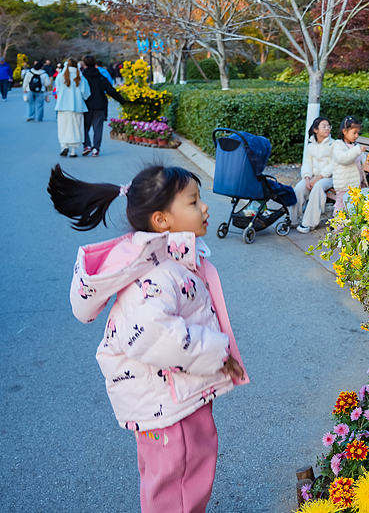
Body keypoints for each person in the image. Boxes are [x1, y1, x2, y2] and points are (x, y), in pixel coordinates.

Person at [47, 163, 248, 513]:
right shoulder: (159, 273)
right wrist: (218, 353)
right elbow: (153, 335)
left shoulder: (168, 260)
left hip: (175, 395)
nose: (204, 208)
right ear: (161, 220)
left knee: (174, 478)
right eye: (193, 201)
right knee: (180, 481)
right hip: (169, 402)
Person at [290, 116, 334, 233]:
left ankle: (309, 223)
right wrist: (307, 178)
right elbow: (307, 164)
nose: (327, 129)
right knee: (299, 188)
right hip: (313, 177)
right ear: (315, 130)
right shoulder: (311, 146)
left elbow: (333, 166)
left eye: (328, 126)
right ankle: (292, 219)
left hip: (329, 178)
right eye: (324, 126)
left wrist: (318, 178)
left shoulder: (333, 144)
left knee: (317, 188)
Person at [81, 55, 126, 156]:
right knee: (98, 127)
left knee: (84, 126)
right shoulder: (101, 77)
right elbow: (111, 91)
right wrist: (122, 101)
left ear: (84, 63)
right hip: (100, 104)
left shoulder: (82, 76)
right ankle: (96, 148)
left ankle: (87, 145)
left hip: (85, 105)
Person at [331, 116, 368, 212]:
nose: (356, 136)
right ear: (344, 131)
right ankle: (338, 227)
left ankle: (350, 227)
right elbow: (343, 158)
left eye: (358, 133)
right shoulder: (338, 145)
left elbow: (362, 162)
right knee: (342, 209)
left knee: (354, 211)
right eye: (354, 133)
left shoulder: (356, 146)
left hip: (356, 186)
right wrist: (358, 150)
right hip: (344, 186)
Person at [55, 58, 90, 157]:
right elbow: (86, 93)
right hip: (78, 107)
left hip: (62, 106)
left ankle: (64, 146)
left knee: (63, 128)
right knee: (76, 128)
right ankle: (73, 151)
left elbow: (57, 90)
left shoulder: (60, 76)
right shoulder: (80, 77)